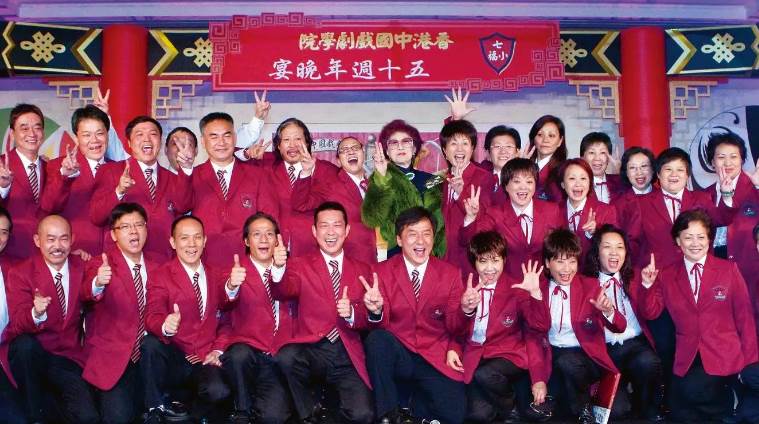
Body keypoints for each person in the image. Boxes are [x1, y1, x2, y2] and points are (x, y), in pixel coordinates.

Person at [639, 209, 757, 422]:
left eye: (701, 237)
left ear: (709, 240)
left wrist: (749, 365)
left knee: (695, 392)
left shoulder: (728, 270)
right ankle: (728, 407)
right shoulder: (667, 275)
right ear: (678, 241)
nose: (695, 243)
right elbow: (651, 312)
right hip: (688, 357)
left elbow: (745, 318)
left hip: (723, 353)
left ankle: (731, 400)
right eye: (688, 237)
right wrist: (648, 286)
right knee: (679, 411)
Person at [364, 207, 468, 424]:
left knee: (454, 414)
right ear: (399, 240)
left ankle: (416, 409)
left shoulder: (450, 274)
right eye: (412, 234)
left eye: (426, 233)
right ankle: (388, 415)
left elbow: (455, 326)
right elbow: (379, 326)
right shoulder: (381, 272)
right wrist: (376, 311)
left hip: (434, 353)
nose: (420, 241)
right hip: (400, 351)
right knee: (377, 340)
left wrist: (466, 311)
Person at [272, 201, 374, 424]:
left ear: (347, 230)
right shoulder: (299, 265)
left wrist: (353, 313)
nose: (330, 232)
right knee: (286, 357)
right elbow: (283, 291)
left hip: (347, 352)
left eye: (337, 225)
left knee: (363, 415)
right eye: (324, 226)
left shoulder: (363, 269)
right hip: (312, 349)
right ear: (314, 231)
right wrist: (278, 268)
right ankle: (308, 415)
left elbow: (369, 319)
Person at [143, 215, 239, 422]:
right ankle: (155, 409)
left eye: (197, 237)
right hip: (175, 357)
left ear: (205, 241)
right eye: (184, 238)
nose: (191, 244)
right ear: (173, 242)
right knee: (150, 344)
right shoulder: (160, 275)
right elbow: (152, 315)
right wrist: (165, 325)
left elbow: (226, 322)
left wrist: (217, 350)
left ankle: (188, 410)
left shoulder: (217, 274)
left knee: (219, 391)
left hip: (205, 358)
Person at [81, 202, 169, 424]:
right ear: (113, 234)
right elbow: (86, 294)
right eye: (125, 226)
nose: (133, 231)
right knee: (118, 417)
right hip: (115, 357)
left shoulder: (160, 264)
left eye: (139, 224)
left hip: (152, 355)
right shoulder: (101, 264)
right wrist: (97, 283)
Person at [6, 215, 99, 423]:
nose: (57, 246)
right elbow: (18, 322)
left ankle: (48, 406)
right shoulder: (21, 273)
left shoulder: (83, 266)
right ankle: (35, 416)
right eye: (50, 239)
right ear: (37, 241)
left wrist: (98, 283)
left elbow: (94, 292)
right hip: (33, 356)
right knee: (24, 345)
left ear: (72, 239)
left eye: (64, 238)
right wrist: (36, 313)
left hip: (68, 358)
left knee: (87, 417)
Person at [454, 231, 550, 423]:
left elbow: (539, 326)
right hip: (475, 356)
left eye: (495, 260)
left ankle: (511, 408)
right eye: (483, 261)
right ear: (474, 262)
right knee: (478, 415)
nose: (490, 268)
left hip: (509, 354)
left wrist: (535, 294)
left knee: (486, 374)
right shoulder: (464, 288)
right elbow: (454, 329)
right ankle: (504, 405)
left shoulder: (516, 288)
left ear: (504, 260)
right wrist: (465, 309)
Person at [539, 228, 626, 424]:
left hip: (588, 357)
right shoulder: (539, 289)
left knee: (619, 411)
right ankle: (583, 409)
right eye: (560, 261)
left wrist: (608, 311)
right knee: (549, 410)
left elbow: (620, 326)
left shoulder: (590, 285)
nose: (567, 269)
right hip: (554, 357)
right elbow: (534, 333)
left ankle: (584, 397)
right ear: (547, 263)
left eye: (572, 261)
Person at [217, 212, 293, 424]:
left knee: (274, 417)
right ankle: (241, 409)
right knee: (238, 355)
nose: (263, 239)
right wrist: (232, 286)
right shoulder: (235, 272)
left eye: (269, 234)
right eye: (257, 234)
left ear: (277, 240)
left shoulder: (292, 269)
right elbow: (224, 302)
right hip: (248, 354)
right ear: (246, 241)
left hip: (280, 355)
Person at [583, 224, 663, 421]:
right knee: (617, 411)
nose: (614, 252)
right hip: (605, 353)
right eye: (607, 247)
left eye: (619, 247)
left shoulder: (636, 277)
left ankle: (647, 409)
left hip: (635, 346)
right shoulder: (585, 284)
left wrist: (647, 286)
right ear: (596, 252)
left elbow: (651, 313)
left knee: (648, 363)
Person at [89, 116, 194, 261]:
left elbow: (184, 206)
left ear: (160, 141)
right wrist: (119, 191)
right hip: (124, 261)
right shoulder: (111, 171)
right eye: (139, 135)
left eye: (153, 134)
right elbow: (97, 216)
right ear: (129, 143)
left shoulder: (172, 178)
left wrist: (186, 169)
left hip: (164, 259)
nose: (147, 139)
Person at [188, 112, 279, 267]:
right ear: (203, 141)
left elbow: (270, 219)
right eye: (214, 136)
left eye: (227, 135)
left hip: (249, 263)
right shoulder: (192, 176)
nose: (221, 142)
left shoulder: (258, 175)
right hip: (204, 263)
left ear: (235, 138)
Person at [461, 158, 563, 281]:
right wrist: (471, 217)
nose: (523, 187)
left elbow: (563, 248)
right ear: (506, 186)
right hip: (510, 285)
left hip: (544, 284)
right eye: (516, 181)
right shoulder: (495, 214)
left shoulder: (552, 210)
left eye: (529, 181)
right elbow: (469, 241)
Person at [362, 119, 445, 258]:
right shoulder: (381, 179)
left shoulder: (433, 180)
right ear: (387, 151)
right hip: (397, 254)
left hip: (431, 252)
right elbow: (372, 218)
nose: (400, 147)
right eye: (393, 143)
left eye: (406, 141)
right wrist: (381, 177)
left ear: (414, 149)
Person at [257, 118, 338, 257]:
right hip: (274, 250)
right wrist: (248, 153)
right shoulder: (266, 167)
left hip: (312, 249)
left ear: (307, 142)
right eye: (286, 140)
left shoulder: (327, 170)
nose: (292, 145)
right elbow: (229, 156)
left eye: (298, 139)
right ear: (278, 146)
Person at [292, 136, 377, 264]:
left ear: (363, 154)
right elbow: (301, 204)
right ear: (338, 161)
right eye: (344, 150)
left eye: (355, 148)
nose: (351, 151)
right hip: (344, 261)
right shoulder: (331, 184)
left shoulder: (372, 185)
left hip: (369, 259)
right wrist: (306, 172)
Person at [41, 105, 113, 255]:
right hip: (76, 254)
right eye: (87, 135)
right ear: (76, 138)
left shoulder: (119, 169)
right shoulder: (57, 166)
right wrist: (65, 176)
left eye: (100, 133)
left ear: (107, 135)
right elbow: (49, 207)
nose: (94, 140)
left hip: (111, 258)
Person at [438, 119, 494, 274]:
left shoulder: (484, 177)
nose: (459, 149)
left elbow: (483, 215)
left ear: (473, 148)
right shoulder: (439, 180)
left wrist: (460, 193)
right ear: (444, 150)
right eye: (453, 144)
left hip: (468, 259)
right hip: (441, 259)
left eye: (465, 143)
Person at [702, 131, 759, 280]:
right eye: (721, 157)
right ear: (712, 162)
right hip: (716, 272)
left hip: (752, 273)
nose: (728, 163)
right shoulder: (704, 195)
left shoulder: (754, 189)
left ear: (742, 160)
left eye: (733, 157)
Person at [0, 104, 48, 258]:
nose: (32, 134)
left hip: (44, 256)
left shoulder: (52, 168)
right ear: (12, 134)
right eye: (24, 128)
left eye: (37, 128)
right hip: (8, 254)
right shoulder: (1, 165)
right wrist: (2, 188)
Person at [557, 158, 618, 264]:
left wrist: (594, 233)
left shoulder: (606, 211)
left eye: (583, 178)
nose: (578, 184)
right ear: (562, 184)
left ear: (590, 183)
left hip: (592, 271)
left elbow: (613, 248)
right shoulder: (554, 211)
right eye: (572, 178)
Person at [0, 206, 24, 424]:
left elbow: (47, 263)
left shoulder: (15, 268)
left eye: (4, 232)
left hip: (4, 354)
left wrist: (76, 255)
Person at [527, 115, 566, 202]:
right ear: (533, 138)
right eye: (540, 135)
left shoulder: (564, 171)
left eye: (551, 135)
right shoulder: (524, 165)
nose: (545, 140)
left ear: (560, 141)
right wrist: (521, 167)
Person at [579, 132, 623, 204]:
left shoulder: (619, 182)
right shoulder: (577, 186)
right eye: (592, 152)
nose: (597, 158)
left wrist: (621, 170)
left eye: (602, 153)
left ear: (609, 157)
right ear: (582, 158)